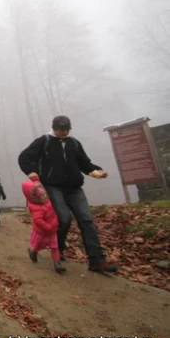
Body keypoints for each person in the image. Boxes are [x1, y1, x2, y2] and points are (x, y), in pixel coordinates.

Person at [18, 115, 118, 273]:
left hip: (75, 188)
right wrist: (30, 171)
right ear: (54, 128)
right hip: (52, 186)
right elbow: (24, 157)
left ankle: (97, 260)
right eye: (61, 129)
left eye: (67, 129)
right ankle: (58, 248)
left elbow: (84, 163)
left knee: (87, 220)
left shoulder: (74, 143)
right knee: (63, 218)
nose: (64, 132)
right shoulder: (44, 141)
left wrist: (96, 171)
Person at [22, 180, 66, 273]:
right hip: (43, 232)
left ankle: (57, 264)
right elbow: (38, 221)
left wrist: (54, 223)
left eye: (45, 194)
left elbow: (53, 213)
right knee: (40, 245)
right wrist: (48, 227)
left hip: (52, 231)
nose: (45, 197)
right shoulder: (36, 208)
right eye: (41, 196)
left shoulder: (47, 202)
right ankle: (33, 251)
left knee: (54, 247)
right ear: (35, 198)